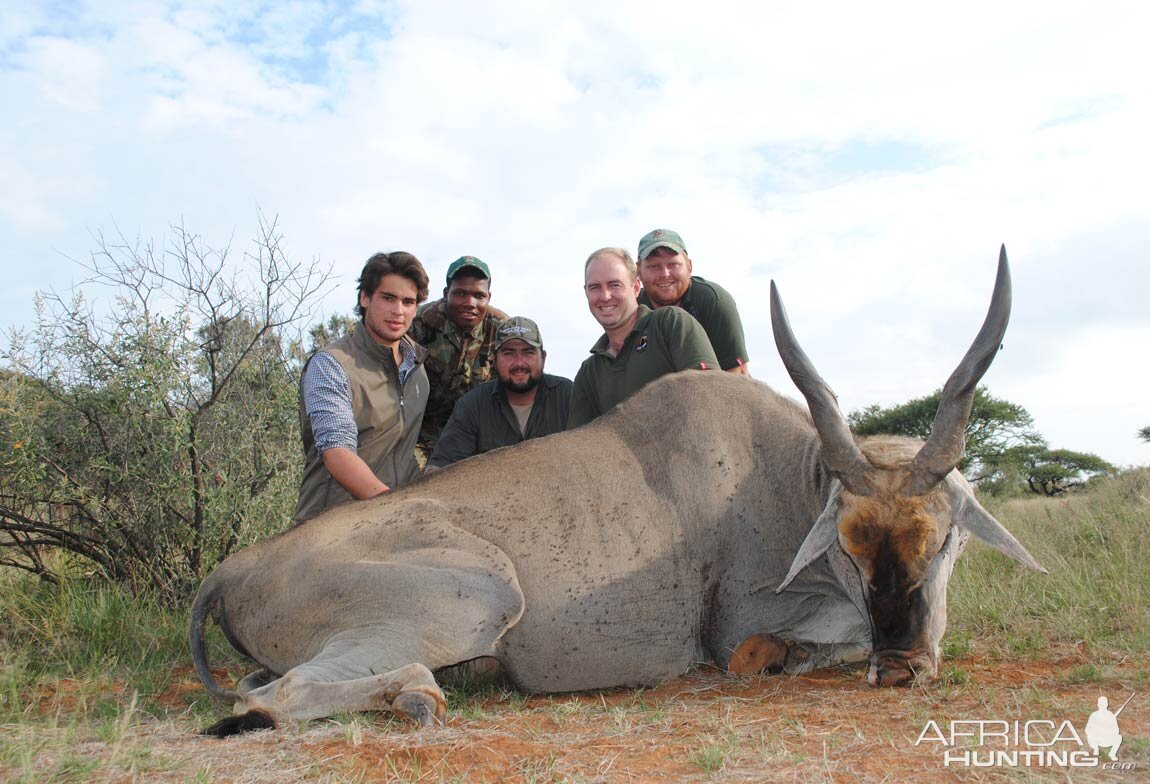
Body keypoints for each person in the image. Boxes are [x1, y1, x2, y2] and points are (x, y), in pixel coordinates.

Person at [296, 251, 430, 522]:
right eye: (388, 298)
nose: (398, 311)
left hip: (395, 519)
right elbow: (337, 451)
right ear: (365, 298)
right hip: (333, 524)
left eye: (408, 301)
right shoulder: (331, 365)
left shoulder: (417, 367)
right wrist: (394, 508)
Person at [569, 247, 718, 428]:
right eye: (595, 287)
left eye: (615, 285)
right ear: (586, 292)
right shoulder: (589, 372)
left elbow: (712, 397)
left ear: (635, 287)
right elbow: (580, 443)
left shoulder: (670, 324)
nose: (605, 296)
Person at [427, 316, 573, 468]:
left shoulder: (568, 396)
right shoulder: (472, 405)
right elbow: (440, 468)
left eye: (528, 352)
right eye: (509, 353)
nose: (519, 363)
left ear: (543, 357)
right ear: (494, 359)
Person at [408, 256, 509, 466]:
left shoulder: (502, 330)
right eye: (460, 293)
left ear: (488, 297)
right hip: (421, 433)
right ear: (446, 294)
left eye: (478, 296)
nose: (469, 303)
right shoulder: (417, 324)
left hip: (479, 435)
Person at [637, 228, 751, 376]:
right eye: (654, 266)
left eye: (673, 264)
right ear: (638, 272)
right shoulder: (633, 306)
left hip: (713, 389)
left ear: (689, 266)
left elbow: (738, 373)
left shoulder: (713, 300)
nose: (665, 274)